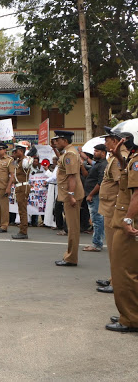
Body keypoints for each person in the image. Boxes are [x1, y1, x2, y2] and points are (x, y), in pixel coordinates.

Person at [106, 119, 138, 332]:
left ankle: (131, 318)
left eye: (125, 138)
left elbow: (137, 193)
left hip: (128, 221)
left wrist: (128, 220)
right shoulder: (133, 159)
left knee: (123, 271)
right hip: (124, 218)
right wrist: (118, 155)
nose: (121, 140)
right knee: (126, 270)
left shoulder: (137, 160)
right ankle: (129, 313)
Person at [96, 127, 129, 294]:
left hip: (114, 208)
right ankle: (113, 278)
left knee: (115, 249)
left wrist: (119, 210)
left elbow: (121, 185)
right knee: (112, 248)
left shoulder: (118, 158)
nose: (104, 143)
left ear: (115, 141)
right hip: (110, 207)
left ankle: (117, 282)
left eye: (107, 140)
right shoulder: (115, 156)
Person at [53, 130, 85, 267]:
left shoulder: (70, 154)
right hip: (69, 194)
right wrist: (54, 148)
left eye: (57, 141)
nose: (56, 143)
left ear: (64, 141)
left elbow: (72, 176)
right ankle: (70, 255)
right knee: (71, 227)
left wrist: (71, 195)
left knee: (72, 228)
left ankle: (71, 258)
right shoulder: (67, 152)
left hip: (71, 195)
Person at [81, 144, 108, 252]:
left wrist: (91, 194)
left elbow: (100, 182)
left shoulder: (102, 165)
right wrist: (81, 155)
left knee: (97, 220)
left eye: (97, 151)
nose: (94, 153)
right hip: (92, 195)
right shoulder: (98, 163)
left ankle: (97, 244)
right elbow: (91, 162)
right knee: (97, 219)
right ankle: (97, 242)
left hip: (95, 196)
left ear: (103, 152)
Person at [11, 142, 36, 239]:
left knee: (22, 210)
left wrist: (28, 155)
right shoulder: (19, 160)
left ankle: (23, 231)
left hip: (23, 187)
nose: (14, 153)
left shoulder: (25, 161)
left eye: (16, 151)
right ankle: (22, 230)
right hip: (19, 187)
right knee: (21, 209)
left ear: (21, 151)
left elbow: (28, 162)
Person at [30, 156, 45, 227]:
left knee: (39, 205)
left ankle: (38, 222)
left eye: (36, 161)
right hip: (32, 190)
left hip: (40, 191)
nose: (35, 163)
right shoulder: (30, 168)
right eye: (34, 161)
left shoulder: (41, 168)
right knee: (32, 206)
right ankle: (32, 222)